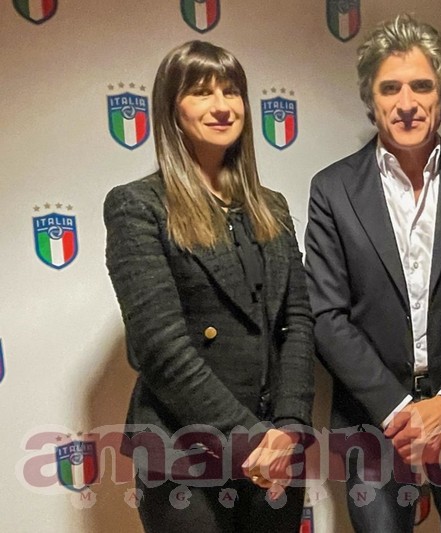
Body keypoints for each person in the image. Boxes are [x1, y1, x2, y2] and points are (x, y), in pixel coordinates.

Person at [304, 14, 441, 533]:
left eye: (422, 86)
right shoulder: (332, 189)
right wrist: (400, 411)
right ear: (371, 99)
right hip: (373, 422)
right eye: (390, 88)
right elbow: (327, 316)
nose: (407, 103)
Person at [104, 40, 314, 533]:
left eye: (231, 91)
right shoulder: (138, 206)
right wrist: (250, 438)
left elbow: (298, 323)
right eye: (201, 92)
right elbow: (160, 348)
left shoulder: (272, 207)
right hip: (184, 455)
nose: (221, 106)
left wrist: (290, 427)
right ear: (172, 110)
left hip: (275, 453)